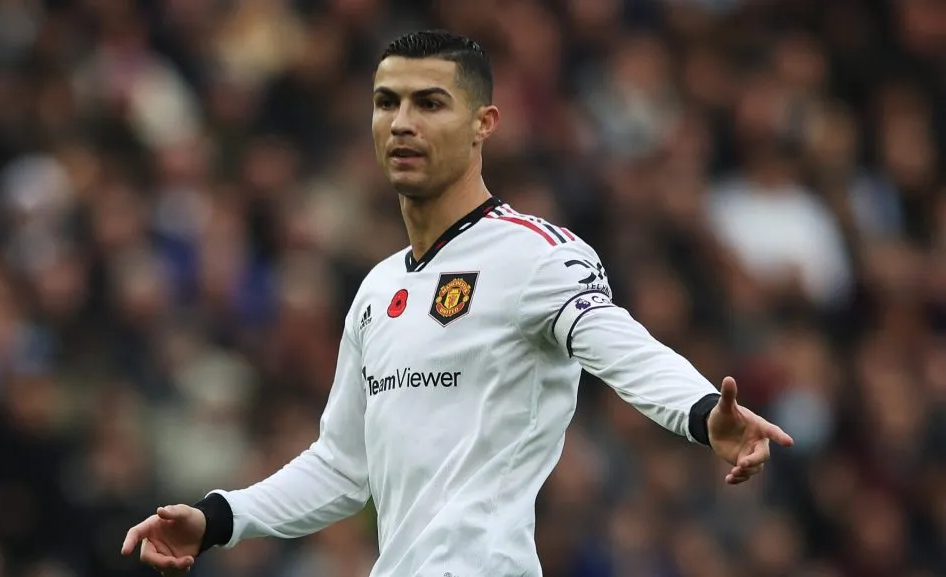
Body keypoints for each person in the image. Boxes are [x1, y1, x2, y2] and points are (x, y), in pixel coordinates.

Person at [121, 30, 794, 577]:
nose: (402, 123)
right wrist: (216, 518)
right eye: (387, 102)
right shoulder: (378, 288)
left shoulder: (534, 255)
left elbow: (619, 345)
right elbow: (342, 466)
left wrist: (705, 412)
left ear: (483, 124)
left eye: (430, 103)